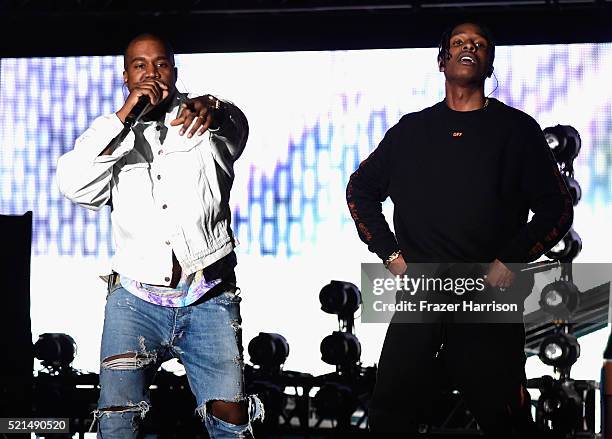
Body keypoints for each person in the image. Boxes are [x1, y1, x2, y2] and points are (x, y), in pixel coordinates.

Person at [346, 22, 574, 437]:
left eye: (479, 44)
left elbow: (557, 206)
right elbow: (360, 190)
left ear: (488, 64)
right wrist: (390, 254)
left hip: (487, 294)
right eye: (459, 43)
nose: (469, 47)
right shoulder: (411, 131)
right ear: (442, 60)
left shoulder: (517, 130)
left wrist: (514, 259)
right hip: (422, 291)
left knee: (502, 415)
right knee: (390, 414)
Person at [56, 33, 263, 438]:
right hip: (134, 304)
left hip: (207, 297)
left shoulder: (205, 120)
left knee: (231, 424)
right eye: (140, 65)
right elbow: (75, 186)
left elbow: (235, 130)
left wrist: (216, 110)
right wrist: (124, 118)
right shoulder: (112, 132)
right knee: (117, 423)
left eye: (161, 64)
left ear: (174, 70)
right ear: (126, 77)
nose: (152, 73)